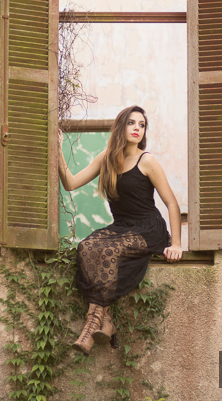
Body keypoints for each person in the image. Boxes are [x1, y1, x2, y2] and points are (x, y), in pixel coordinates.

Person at [57, 105, 182, 355]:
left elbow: (171, 203)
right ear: (121, 127)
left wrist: (176, 244)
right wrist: (57, 148)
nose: (137, 128)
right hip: (121, 228)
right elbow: (70, 183)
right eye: (132, 123)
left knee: (110, 250)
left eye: (142, 125)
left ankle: (91, 324)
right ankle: (105, 321)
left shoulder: (147, 160)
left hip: (148, 228)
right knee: (88, 247)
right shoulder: (106, 158)